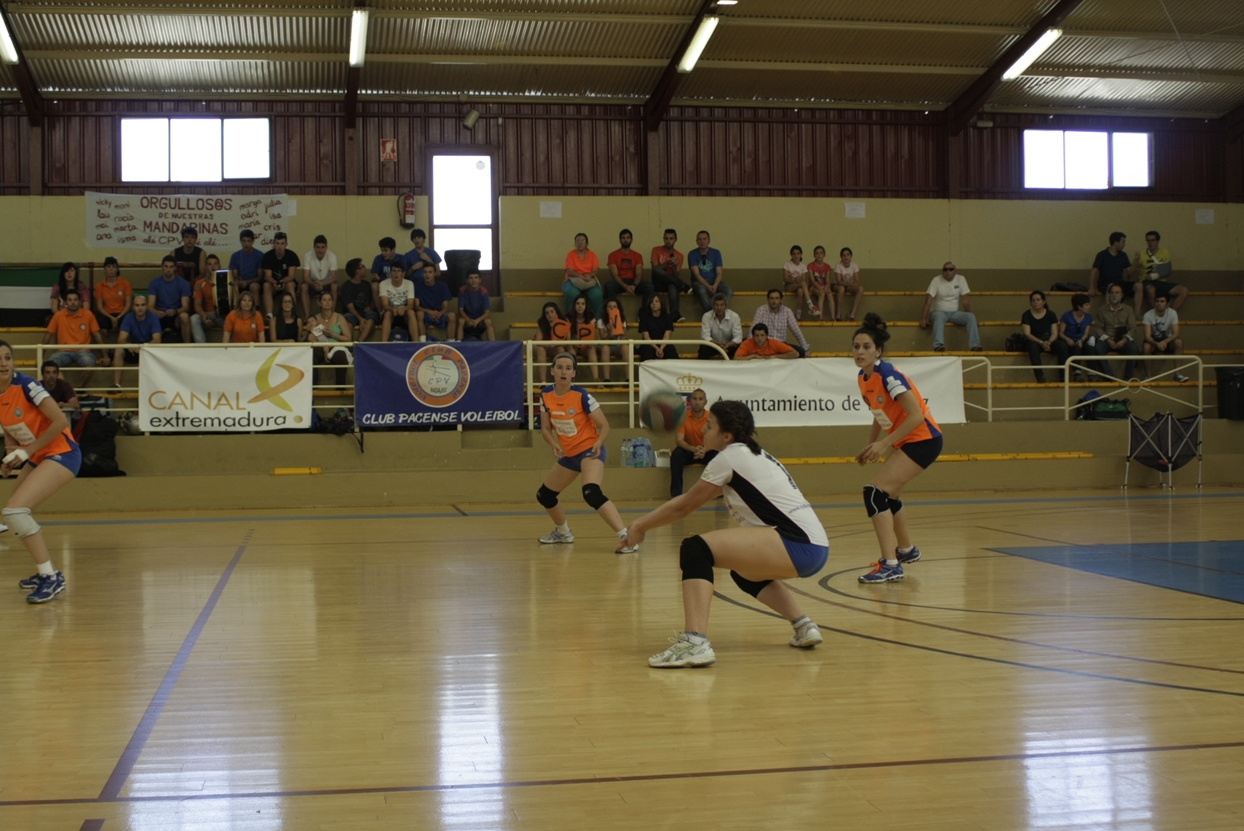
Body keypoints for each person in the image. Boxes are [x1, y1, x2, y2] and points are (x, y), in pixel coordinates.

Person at [619, 400, 827, 668]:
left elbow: (684, 507)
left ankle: (694, 643)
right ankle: (803, 626)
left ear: (726, 436)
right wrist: (643, 523)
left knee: (695, 548)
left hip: (795, 544)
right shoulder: (752, 455)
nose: (703, 430)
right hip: (815, 547)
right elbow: (689, 499)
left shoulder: (728, 458)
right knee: (743, 573)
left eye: (710, 426)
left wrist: (640, 526)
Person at [852, 314, 941, 584]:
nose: (859, 351)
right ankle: (906, 551)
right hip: (907, 440)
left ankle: (891, 564)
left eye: (866, 346)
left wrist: (884, 444)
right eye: (856, 346)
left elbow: (915, 416)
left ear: (878, 350)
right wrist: (872, 443)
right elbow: (878, 412)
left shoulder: (888, 374)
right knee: (887, 496)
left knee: (874, 493)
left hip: (924, 439)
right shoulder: (863, 378)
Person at [1, 340, 81, 603]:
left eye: (7, 358)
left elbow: (59, 421)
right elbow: (11, 429)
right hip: (38, 455)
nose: (3, 363)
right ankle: (43, 571)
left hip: (63, 453)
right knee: (17, 514)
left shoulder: (27, 386)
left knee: (15, 511)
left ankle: (50, 577)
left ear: (13, 362)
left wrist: (26, 452)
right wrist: (12, 454)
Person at [536, 351, 636, 552]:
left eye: (568, 368)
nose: (564, 372)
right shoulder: (545, 395)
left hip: (590, 450)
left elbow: (604, 425)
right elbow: (546, 427)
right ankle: (563, 533)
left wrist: (599, 442)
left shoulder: (582, 396)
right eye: (560, 367)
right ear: (552, 371)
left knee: (591, 492)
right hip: (569, 454)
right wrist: (554, 444)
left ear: (574, 373)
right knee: (544, 495)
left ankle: (627, 538)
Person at [44, 289, 106, 387]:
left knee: (89, 369)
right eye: (70, 300)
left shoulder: (88, 314)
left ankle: (79, 391)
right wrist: (41, 356)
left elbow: (97, 335)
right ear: (65, 302)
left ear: (79, 301)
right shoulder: (58, 315)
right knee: (50, 367)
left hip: (83, 351)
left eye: (75, 300)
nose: (73, 302)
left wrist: (105, 356)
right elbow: (48, 335)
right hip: (62, 352)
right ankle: (66, 390)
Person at [920, 262, 981, 352]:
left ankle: (975, 345)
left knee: (971, 317)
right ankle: (938, 345)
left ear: (955, 271)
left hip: (954, 313)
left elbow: (965, 300)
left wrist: (969, 314)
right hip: (937, 312)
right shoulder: (936, 280)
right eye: (945, 269)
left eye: (950, 269)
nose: (947, 271)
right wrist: (923, 318)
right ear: (942, 271)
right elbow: (928, 301)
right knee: (939, 317)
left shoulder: (961, 279)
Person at [669, 388, 717, 497]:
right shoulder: (683, 417)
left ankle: (719, 493)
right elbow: (679, 440)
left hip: (707, 451)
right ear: (689, 401)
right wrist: (694, 449)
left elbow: (716, 440)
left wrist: (705, 449)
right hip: (690, 451)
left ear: (706, 402)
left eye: (700, 399)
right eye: (694, 399)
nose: (697, 402)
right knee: (676, 455)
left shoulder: (712, 417)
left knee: (719, 455)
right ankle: (676, 494)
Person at [1089, 283, 1139, 379]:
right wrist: (1107, 339)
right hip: (1107, 339)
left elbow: (1133, 328)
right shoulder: (1102, 310)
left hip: (1123, 339)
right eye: (1112, 293)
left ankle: (1128, 377)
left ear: (1122, 295)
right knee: (1098, 348)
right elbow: (1098, 328)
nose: (1114, 295)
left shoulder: (1128, 310)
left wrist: (1124, 340)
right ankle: (1109, 376)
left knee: (1133, 348)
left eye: (1117, 293)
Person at [111, 295, 162, 387]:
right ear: (133, 307)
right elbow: (121, 340)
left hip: (147, 350)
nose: (140, 308)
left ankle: (150, 387)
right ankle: (116, 385)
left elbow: (157, 340)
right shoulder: (128, 317)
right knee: (118, 350)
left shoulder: (153, 317)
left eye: (142, 305)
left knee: (153, 353)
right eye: (137, 305)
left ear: (146, 306)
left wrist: (143, 348)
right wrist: (130, 345)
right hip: (133, 350)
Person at [306, 289, 353, 388]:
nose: (327, 302)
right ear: (319, 303)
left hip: (336, 346)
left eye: (329, 300)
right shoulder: (314, 319)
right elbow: (311, 336)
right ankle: (314, 387)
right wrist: (324, 348)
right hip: (320, 346)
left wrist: (332, 334)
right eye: (324, 300)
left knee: (341, 356)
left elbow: (348, 339)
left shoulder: (339, 317)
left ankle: (340, 388)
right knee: (312, 354)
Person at [1021, 290, 1069, 383]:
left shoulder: (1051, 314)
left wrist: (1049, 342)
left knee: (1062, 346)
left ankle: (1063, 376)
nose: (1035, 302)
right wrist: (1041, 343)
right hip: (1035, 341)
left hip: (1049, 341)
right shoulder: (1026, 315)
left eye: (1038, 300)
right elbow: (1027, 334)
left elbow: (1055, 332)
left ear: (1044, 302)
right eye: (1033, 300)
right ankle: (1040, 377)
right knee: (1032, 347)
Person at [1089, 231, 1142, 314]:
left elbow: (1129, 272)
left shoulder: (1123, 255)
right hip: (1105, 283)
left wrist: (1136, 262)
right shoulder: (1102, 255)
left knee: (1139, 286)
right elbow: (1094, 271)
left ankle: (1137, 314)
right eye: (1123, 242)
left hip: (1119, 282)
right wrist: (1092, 287)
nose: (1124, 244)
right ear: (1115, 242)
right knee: (1112, 286)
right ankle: (1109, 314)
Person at [1136, 230, 1188, 312]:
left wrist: (1154, 276)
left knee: (1183, 290)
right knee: (1151, 290)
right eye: (1148, 241)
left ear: (1158, 241)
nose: (1150, 243)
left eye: (1153, 240)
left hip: (1161, 282)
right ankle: (1156, 314)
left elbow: (1167, 271)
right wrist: (1135, 261)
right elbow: (1130, 272)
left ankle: (1170, 314)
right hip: (1147, 283)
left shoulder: (1165, 252)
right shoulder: (1141, 255)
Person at [147, 255, 192, 343]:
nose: (168, 269)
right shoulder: (154, 283)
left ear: (175, 268)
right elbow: (150, 306)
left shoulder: (183, 284)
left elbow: (186, 307)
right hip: (159, 316)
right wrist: (156, 312)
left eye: (171, 267)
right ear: (162, 267)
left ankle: (187, 348)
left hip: (175, 316)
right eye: (166, 266)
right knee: (147, 316)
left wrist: (175, 311)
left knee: (185, 316)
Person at [752, 289, 811, 357]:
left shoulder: (787, 311)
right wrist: (749, 346)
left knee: (801, 352)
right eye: (771, 298)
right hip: (766, 344)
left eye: (777, 298)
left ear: (781, 300)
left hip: (781, 344)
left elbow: (796, 331)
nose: (774, 301)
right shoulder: (761, 310)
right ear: (768, 299)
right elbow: (753, 329)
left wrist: (806, 348)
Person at [1142, 294, 1188, 381]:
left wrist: (1165, 342)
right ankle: (1149, 376)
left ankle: (1177, 374)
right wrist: (1156, 343)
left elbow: (1176, 333)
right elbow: (1147, 337)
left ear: (1167, 304)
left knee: (1179, 342)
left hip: (1168, 340)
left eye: (1162, 301)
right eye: (1157, 301)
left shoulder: (1172, 313)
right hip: (1154, 341)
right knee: (1146, 346)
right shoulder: (1148, 315)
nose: (1159, 304)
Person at [605, 229, 654, 307]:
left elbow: (639, 274)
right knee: (609, 286)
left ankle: (644, 313)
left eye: (628, 238)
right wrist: (625, 286)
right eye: (623, 238)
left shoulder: (637, 255)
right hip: (620, 283)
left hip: (633, 282)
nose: (626, 240)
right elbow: (614, 275)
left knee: (649, 286)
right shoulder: (612, 255)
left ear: (631, 240)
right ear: (620, 240)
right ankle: (613, 313)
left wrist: (633, 286)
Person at [650, 228, 689, 321]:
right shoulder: (656, 250)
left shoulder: (679, 255)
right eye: (666, 238)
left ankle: (674, 315)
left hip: (670, 282)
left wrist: (674, 266)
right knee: (656, 270)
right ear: (663, 239)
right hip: (658, 282)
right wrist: (667, 263)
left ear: (675, 239)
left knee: (673, 285)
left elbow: (676, 276)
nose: (668, 241)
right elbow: (655, 269)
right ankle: (682, 284)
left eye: (671, 238)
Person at [563, 232, 603, 320]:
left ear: (587, 243)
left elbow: (595, 269)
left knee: (597, 294)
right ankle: (571, 320)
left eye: (582, 240)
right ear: (575, 243)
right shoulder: (570, 254)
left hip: (588, 280)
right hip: (572, 280)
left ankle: (593, 320)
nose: (580, 243)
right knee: (573, 294)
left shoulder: (592, 255)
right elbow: (569, 270)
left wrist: (590, 275)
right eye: (577, 241)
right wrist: (581, 276)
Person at [688, 230, 730, 313]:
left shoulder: (716, 253)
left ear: (709, 240)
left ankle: (721, 310)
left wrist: (715, 285)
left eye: (704, 239)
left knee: (728, 290)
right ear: (696, 241)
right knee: (701, 290)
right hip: (699, 282)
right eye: (699, 239)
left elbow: (719, 273)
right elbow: (696, 274)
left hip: (714, 280)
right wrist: (708, 286)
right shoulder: (692, 254)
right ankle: (711, 314)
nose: (702, 241)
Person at [261, 231, 300, 317]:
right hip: (272, 284)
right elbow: (267, 276)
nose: (279, 246)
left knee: (290, 285)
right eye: (277, 243)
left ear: (286, 244)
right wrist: (274, 282)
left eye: (282, 243)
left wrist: (282, 282)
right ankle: (269, 315)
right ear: (273, 244)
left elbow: (291, 276)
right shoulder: (268, 256)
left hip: (286, 283)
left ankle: (293, 313)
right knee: (266, 285)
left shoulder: (292, 256)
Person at [339, 257, 378, 343]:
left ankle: (359, 343)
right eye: (363, 266)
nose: (365, 268)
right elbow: (350, 307)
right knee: (348, 319)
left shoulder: (367, 284)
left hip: (366, 313)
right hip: (353, 314)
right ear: (357, 271)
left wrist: (371, 307)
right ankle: (349, 345)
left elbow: (373, 302)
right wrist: (360, 319)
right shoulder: (346, 286)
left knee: (371, 317)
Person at [93, 256, 132, 340]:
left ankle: (121, 348)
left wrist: (118, 317)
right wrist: (111, 318)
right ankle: (107, 349)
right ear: (104, 269)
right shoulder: (99, 286)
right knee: (100, 321)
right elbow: (100, 307)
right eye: (108, 267)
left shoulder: (125, 283)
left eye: (113, 267)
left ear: (117, 269)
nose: (111, 269)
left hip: (122, 313)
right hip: (106, 314)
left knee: (127, 320)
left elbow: (128, 305)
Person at [378, 261, 418, 342]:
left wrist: (403, 309)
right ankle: (383, 344)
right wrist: (393, 309)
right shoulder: (383, 284)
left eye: (399, 271)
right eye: (394, 271)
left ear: (403, 273)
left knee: (411, 312)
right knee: (388, 313)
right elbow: (385, 305)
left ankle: (416, 343)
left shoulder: (409, 284)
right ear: (390, 273)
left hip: (404, 313)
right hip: (390, 312)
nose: (396, 274)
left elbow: (411, 304)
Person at [1059, 293, 1095, 381]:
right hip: (1069, 341)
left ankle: (1091, 373)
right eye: (1086, 305)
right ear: (1079, 306)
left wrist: (1081, 340)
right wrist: (1067, 339)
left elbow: (1086, 333)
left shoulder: (1088, 317)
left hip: (1080, 340)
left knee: (1090, 349)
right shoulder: (1066, 316)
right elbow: (1060, 333)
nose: (1089, 307)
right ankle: (1077, 374)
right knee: (1076, 349)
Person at [414, 262, 456, 339]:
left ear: (435, 273)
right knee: (419, 314)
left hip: (439, 314)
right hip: (426, 314)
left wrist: (439, 314)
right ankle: (422, 342)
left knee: (452, 316)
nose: (427, 275)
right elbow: (416, 306)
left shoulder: (443, 286)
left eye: (430, 272)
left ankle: (451, 343)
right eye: (425, 272)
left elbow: (446, 307)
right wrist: (429, 312)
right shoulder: (418, 285)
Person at [301, 234, 339, 317]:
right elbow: (305, 277)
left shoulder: (332, 256)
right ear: (314, 247)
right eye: (318, 247)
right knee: (304, 286)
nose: (320, 250)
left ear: (326, 247)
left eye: (323, 247)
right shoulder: (308, 256)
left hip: (326, 283)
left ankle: (331, 315)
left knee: (334, 286)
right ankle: (308, 317)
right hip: (313, 283)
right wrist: (314, 283)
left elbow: (334, 277)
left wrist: (323, 283)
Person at [190, 254, 224, 343]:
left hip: (224, 315)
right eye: (209, 264)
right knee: (194, 319)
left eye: (215, 264)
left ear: (219, 267)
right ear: (205, 267)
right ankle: (202, 348)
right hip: (208, 315)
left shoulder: (228, 281)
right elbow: (197, 304)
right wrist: (203, 314)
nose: (213, 266)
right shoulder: (200, 283)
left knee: (233, 318)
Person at [229, 229, 265, 309]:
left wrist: (248, 282)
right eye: (244, 241)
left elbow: (260, 277)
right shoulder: (235, 256)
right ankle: (236, 311)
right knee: (234, 285)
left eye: (248, 241)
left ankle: (256, 311)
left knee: (254, 286)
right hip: (241, 282)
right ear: (240, 241)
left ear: (253, 241)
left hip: (254, 282)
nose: (246, 244)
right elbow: (234, 274)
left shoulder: (259, 255)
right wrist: (238, 281)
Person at [699, 292, 742, 360]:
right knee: (703, 347)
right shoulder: (706, 316)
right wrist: (719, 345)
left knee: (740, 346)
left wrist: (727, 345)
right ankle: (702, 369)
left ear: (726, 306)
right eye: (716, 305)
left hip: (729, 346)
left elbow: (738, 337)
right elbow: (705, 336)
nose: (719, 308)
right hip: (714, 346)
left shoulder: (734, 316)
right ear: (713, 306)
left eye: (722, 305)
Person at [534, 302, 570, 378]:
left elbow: (567, 340)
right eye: (547, 313)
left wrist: (555, 325)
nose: (550, 315)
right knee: (541, 349)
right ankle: (543, 383)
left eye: (552, 312)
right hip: (542, 346)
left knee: (561, 350)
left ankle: (561, 379)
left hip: (555, 346)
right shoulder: (542, 322)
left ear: (556, 312)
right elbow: (538, 341)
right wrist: (549, 344)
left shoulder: (564, 321)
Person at [598, 298, 631, 380]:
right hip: (606, 345)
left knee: (625, 347)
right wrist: (609, 331)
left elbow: (624, 340)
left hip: (617, 346)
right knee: (605, 348)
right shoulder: (601, 321)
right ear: (606, 309)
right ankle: (607, 379)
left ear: (618, 309)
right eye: (609, 306)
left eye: (614, 306)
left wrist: (622, 332)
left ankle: (628, 378)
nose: (612, 308)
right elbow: (603, 340)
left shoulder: (622, 320)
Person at [568, 295, 599, 380]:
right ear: (574, 305)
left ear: (586, 306)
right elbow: (567, 338)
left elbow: (593, 337)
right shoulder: (568, 317)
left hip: (584, 346)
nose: (580, 306)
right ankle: (570, 379)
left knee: (591, 348)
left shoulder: (591, 318)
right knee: (571, 350)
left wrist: (589, 343)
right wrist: (572, 343)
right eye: (578, 303)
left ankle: (596, 379)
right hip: (573, 345)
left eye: (583, 304)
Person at [637, 293, 675, 362]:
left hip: (663, 343)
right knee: (647, 350)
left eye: (656, 301)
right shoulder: (644, 317)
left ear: (661, 303)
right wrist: (657, 348)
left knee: (670, 350)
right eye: (652, 302)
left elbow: (667, 336)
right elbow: (646, 337)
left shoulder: (668, 317)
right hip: (649, 343)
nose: (654, 303)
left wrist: (661, 348)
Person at [457, 271, 495, 341]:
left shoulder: (484, 291)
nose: (474, 280)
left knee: (488, 321)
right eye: (471, 278)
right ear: (467, 280)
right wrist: (468, 319)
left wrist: (478, 320)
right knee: (461, 320)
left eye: (476, 278)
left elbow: (488, 312)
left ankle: (493, 346)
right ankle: (459, 345)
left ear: (480, 280)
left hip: (479, 320)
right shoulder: (462, 290)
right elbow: (460, 310)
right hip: (467, 319)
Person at [783, 245, 815, 319]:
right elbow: (785, 279)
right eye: (794, 254)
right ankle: (810, 304)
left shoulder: (803, 266)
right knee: (803, 284)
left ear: (801, 254)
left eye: (798, 253)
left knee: (801, 291)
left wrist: (799, 280)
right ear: (791, 255)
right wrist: (794, 280)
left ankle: (798, 315)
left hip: (798, 285)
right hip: (789, 286)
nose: (796, 256)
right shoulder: (787, 264)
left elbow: (804, 279)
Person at [833, 247, 864, 322]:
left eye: (847, 255)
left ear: (851, 256)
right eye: (843, 255)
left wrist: (854, 285)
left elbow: (857, 280)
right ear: (841, 257)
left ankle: (852, 314)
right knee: (841, 288)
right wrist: (849, 284)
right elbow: (839, 281)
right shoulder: (838, 266)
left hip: (848, 286)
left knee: (860, 288)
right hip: (838, 285)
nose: (846, 257)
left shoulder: (854, 265)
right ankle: (838, 314)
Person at [807, 245, 834, 322]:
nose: (819, 255)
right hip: (814, 286)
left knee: (829, 294)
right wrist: (820, 288)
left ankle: (833, 317)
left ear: (824, 255)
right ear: (814, 255)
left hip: (824, 286)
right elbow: (812, 280)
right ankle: (820, 317)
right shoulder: (810, 265)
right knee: (821, 294)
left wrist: (825, 288)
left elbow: (828, 281)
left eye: (821, 253)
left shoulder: (827, 266)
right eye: (817, 253)